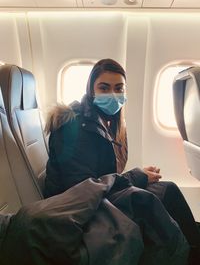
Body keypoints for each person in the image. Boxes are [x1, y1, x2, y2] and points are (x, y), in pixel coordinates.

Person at [44, 58, 199, 264]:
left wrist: (137, 176)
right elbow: (80, 189)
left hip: (97, 197)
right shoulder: (74, 127)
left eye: (119, 88)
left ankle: (192, 249)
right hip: (74, 210)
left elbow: (99, 180)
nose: (112, 95)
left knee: (165, 190)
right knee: (155, 197)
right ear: (91, 90)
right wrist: (136, 177)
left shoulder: (104, 123)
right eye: (104, 88)